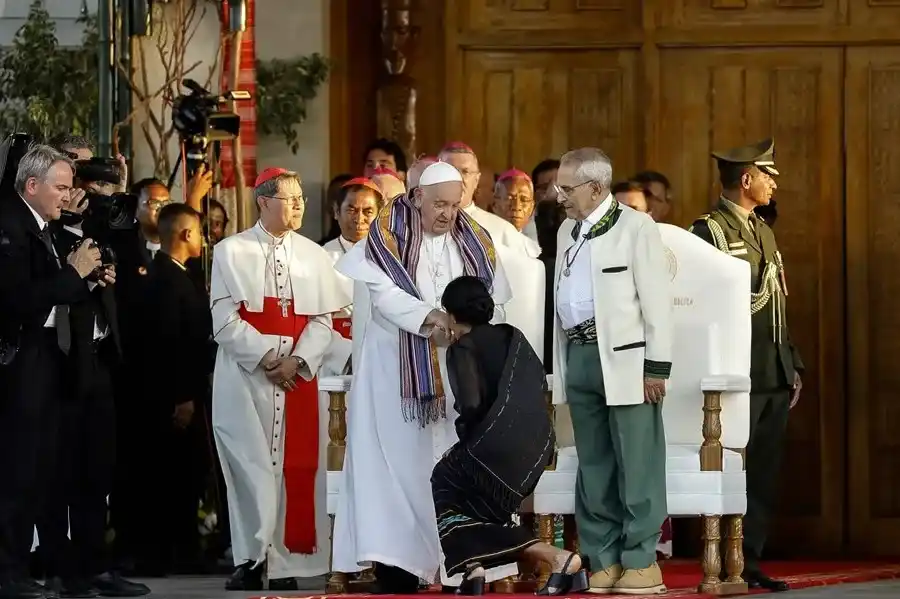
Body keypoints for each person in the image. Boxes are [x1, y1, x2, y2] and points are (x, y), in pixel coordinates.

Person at [332, 161, 513, 592]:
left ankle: (460, 564)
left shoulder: (476, 241)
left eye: (454, 205)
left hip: (455, 373)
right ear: (416, 198)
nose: (447, 214)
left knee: (452, 463)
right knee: (396, 466)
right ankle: (399, 566)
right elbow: (384, 295)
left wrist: (470, 325)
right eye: (439, 205)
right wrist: (429, 316)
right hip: (396, 373)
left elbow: (497, 301)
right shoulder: (385, 236)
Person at [211, 167, 351, 591]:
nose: (298, 206)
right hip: (246, 374)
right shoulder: (230, 251)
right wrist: (269, 357)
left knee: (296, 467)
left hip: (298, 377)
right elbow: (223, 317)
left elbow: (324, 321)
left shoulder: (315, 255)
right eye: (289, 199)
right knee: (251, 466)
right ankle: (252, 558)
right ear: (264, 202)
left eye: (301, 199)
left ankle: (292, 563)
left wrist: (298, 361)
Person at [552, 147, 672, 595]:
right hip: (580, 355)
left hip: (628, 360)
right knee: (595, 465)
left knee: (636, 463)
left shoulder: (637, 228)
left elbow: (657, 301)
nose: (557, 194)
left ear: (596, 188)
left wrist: (656, 367)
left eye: (566, 187)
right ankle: (603, 561)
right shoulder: (567, 229)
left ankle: (641, 561)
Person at [689, 139, 802, 593]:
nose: (774, 184)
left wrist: (791, 363)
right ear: (747, 179)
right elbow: (698, 306)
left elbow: (776, 301)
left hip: (770, 370)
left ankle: (749, 559)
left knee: (764, 472)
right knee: (729, 468)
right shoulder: (708, 232)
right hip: (734, 371)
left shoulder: (764, 230)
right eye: (768, 176)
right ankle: (721, 559)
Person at [432, 276, 587, 596]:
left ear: (451, 314)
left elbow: (471, 406)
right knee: (475, 507)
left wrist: (463, 446)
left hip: (495, 452)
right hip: (536, 450)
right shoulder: (513, 336)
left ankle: (557, 557)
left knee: (443, 478)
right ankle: (472, 569)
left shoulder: (462, 348)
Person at [0, 145, 104, 599]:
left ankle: (21, 569)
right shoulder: (10, 226)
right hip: (20, 361)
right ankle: (9, 573)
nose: (68, 195)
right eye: (61, 187)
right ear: (32, 185)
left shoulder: (40, 225)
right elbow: (18, 300)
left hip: (43, 360)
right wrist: (74, 274)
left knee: (39, 469)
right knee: (19, 470)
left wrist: (88, 278)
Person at [133, 203, 216, 575]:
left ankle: (181, 549)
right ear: (185, 235)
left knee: (185, 473)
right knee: (173, 476)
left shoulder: (178, 275)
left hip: (185, 391)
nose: (202, 239)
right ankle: (167, 552)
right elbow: (170, 344)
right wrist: (183, 397)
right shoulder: (166, 280)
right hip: (174, 395)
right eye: (198, 232)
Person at [320, 177, 384, 374]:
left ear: (380, 214)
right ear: (336, 212)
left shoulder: (392, 259)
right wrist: (347, 355)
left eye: (368, 211)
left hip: (381, 359)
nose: (359, 218)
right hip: (336, 363)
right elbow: (312, 321)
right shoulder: (319, 258)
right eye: (351, 209)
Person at [438, 142, 540, 257]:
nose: (457, 178)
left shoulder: (503, 231)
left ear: (476, 180)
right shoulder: (417, 223)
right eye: (449, 170)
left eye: (465, 172)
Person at [493, 169, 536, 234]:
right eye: (509, 198)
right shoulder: (481, 239)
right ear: (495, 204)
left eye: (524, 200)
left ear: (531, 208)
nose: (517, 206)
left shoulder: (534, 242)